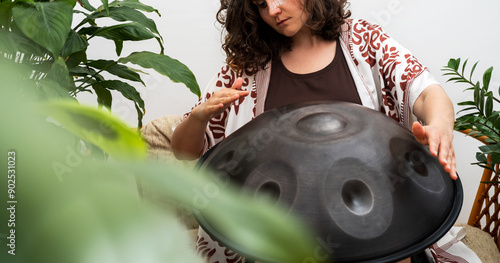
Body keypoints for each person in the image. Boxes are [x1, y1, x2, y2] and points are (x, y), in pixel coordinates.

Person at [171, 0, 457, 261]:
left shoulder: (363, 41)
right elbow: (182, 150)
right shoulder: (246, 68)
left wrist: (440, 128)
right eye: (261, 4)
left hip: (370, 231)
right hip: (283, 243)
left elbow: (425, 93)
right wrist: (198, 118)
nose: (273, 10)